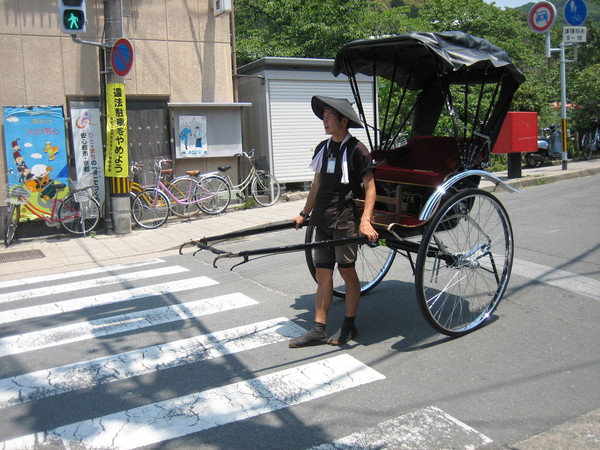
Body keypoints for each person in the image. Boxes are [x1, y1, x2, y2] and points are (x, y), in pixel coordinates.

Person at [289, 96, 378, 348]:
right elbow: (316, 185)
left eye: (329, 117)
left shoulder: (357, 150)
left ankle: (349, 324)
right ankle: (318, 328)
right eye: (324, 116)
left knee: (346, 271)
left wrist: (365, 221)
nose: (324, 121)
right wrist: (304, 214)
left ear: (343, 121)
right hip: (323, 218)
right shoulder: (323, 148)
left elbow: (370, 188)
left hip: (345, 218)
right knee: (322, 273)